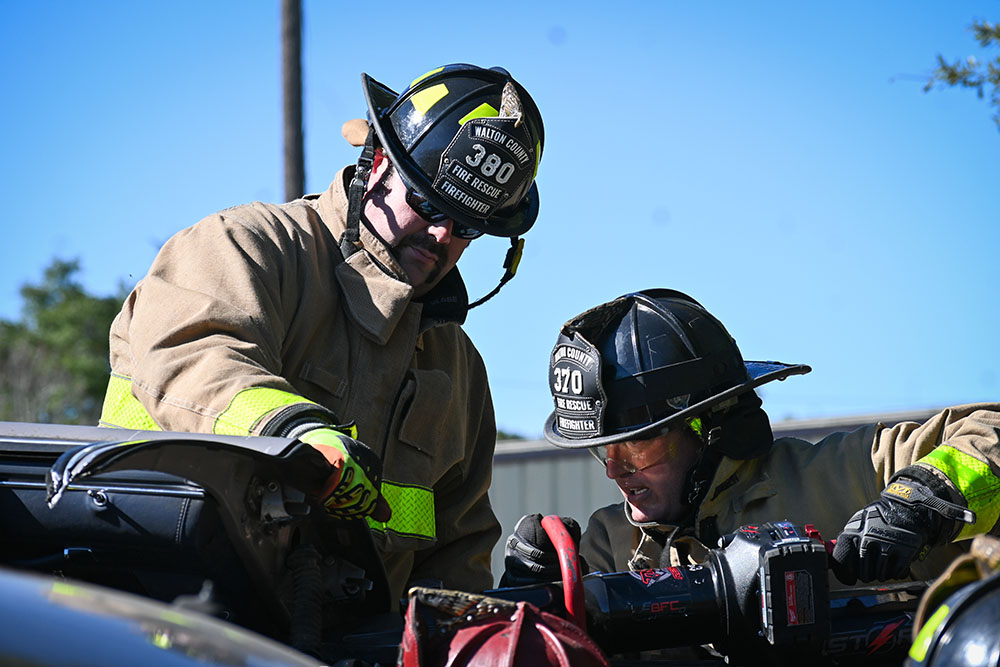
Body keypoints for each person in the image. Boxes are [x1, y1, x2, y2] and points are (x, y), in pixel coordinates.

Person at [98, 63, 545, 605]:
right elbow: (191, 358)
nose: (441, 234)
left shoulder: (456, 369)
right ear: (377, 161)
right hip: (153, 618)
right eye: (426, 203)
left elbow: (457, 552)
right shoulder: (247, 248)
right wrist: (295, 432)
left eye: (467, 225)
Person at [502, 288, 1000, 592]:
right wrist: (535, 596)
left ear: (707, 426)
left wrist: (918, 504)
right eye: (601, 449)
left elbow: (990, 434)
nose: (613, 470)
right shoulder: (608, 549)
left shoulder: (844, 475)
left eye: (635, 446)